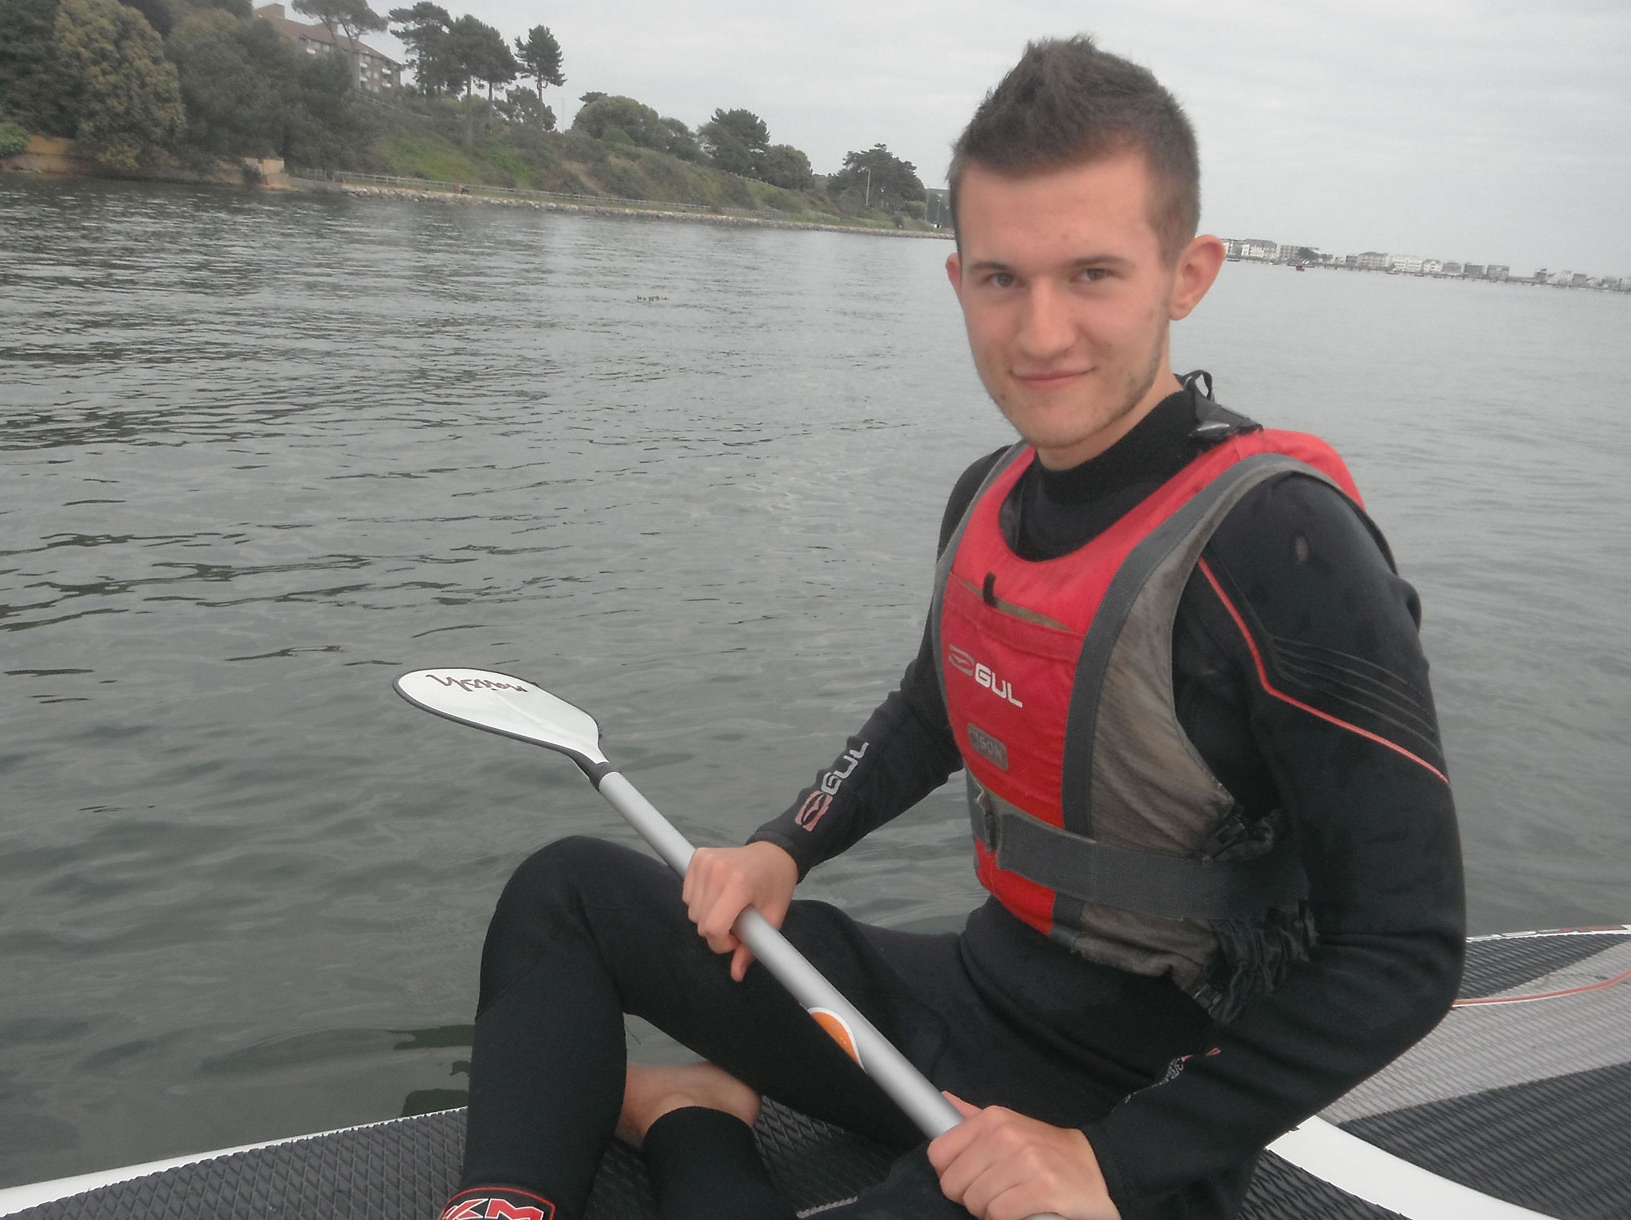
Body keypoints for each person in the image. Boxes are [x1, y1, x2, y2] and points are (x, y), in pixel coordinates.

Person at [441, 35, 1464, 1220]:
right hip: (965, 1004)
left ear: (1187, 274)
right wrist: (783, 846)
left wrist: (1110, 1162)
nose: (1038, 334)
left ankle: (688, 1118)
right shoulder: (987, 490)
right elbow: (932, 706)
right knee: (568, 891)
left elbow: (1406, 944)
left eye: (1090, 274)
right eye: (1000, 278)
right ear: (956, 279)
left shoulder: (1284, 549)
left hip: (1146, 1104)